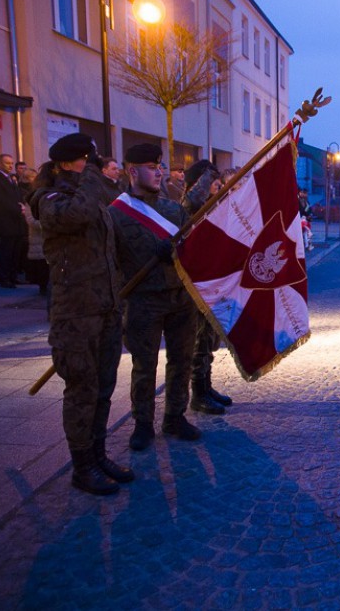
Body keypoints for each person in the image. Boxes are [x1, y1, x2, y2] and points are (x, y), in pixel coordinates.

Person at [29, 132, 132, 495]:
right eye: (85, 160)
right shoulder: (50, 198)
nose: (92, 166)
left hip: (104, 307)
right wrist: (92, 179)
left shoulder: (91, 195)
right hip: (75, 313)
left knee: (103, 387)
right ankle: (82, 466)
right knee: (82, 389)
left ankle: (99, 454)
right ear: (66, 163)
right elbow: (79, 214)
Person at [109, 144, 204, 451]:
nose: (159, 171)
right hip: (143, 298)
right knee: (144, 363)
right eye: (152, 166)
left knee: (182, 359)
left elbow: (192, 248)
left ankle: (175, 416)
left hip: (179, 296)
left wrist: (177, 251)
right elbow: (112, 260)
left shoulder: (172, 209)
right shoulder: (115, 213)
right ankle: (143, 423)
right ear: (132, 171)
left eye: (160, 166)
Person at [181, 159, 233, 415]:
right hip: (196, 285)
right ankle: (198, 394)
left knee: (209, 339)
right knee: (200, 341)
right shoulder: (189, 207)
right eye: (210, 182)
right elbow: (190, 204)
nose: (215, 185)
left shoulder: (210, 206)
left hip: (212, 282)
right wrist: (207, 173)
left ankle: (207, 386)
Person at [0, 153, 27, 288]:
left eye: (11, 163)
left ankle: (13, 276)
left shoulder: (11, 179)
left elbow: (16, 196)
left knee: (16, 250)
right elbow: (1, 200)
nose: (10, 166)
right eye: (6, 163)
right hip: (6, 220)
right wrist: (17, 209)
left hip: (16, 220)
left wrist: (22, 206)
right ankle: (4, 278)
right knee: (7, 250)